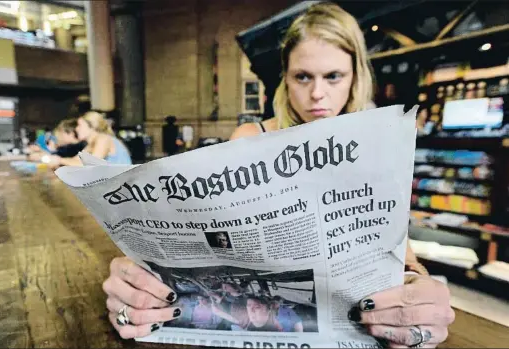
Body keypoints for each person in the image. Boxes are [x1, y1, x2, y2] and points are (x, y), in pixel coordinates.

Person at [102, 2, 454, 347]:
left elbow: (403, 257)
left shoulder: (378, 147)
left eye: (333, 76)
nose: (318, 93)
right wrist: (143, 280)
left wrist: (416, 292)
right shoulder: (251, 140)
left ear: (356, 77)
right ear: (285, 78)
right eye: (303, 77)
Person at [51, 111, 132, 166]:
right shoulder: (90, 144)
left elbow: (91, 165)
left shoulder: (103, 139)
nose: (76, 129)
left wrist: (60, 160)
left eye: (80, 125)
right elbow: (76, 161)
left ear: (92, 127)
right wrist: (56, 160)